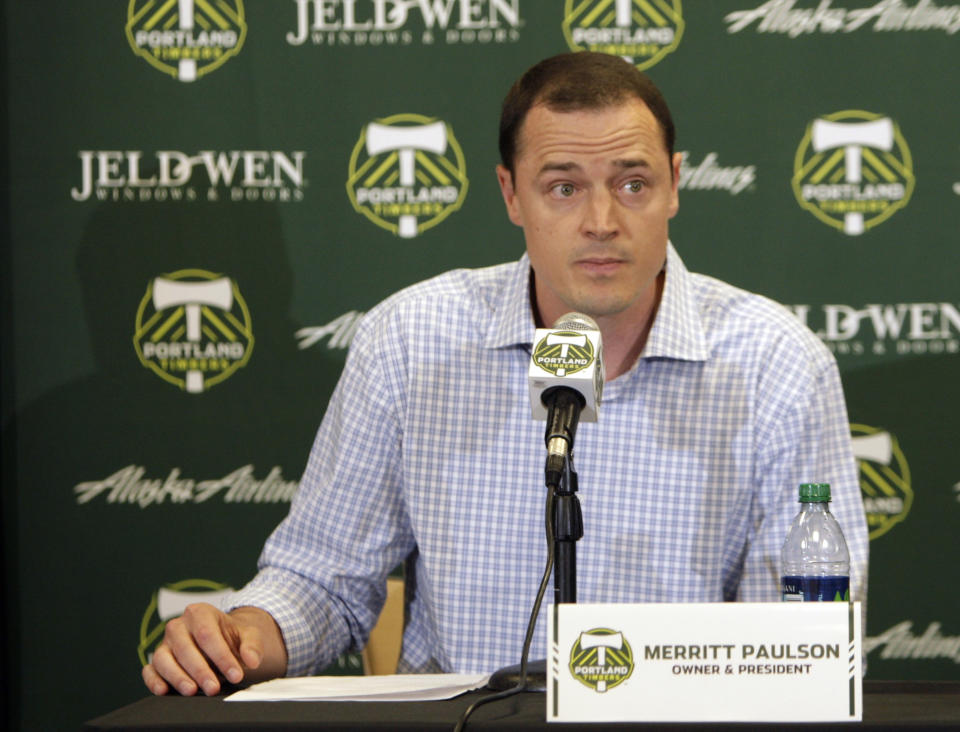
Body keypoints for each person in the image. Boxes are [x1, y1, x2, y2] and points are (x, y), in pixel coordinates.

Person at [142, 52, 869, 697]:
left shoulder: (777, 363)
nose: (601, 220)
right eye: (562, 188)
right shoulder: (412, 340)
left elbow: (802, 642)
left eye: (633, 183)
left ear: (675, 185)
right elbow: (323, 581)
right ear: (510, 194)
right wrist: (243, 638)